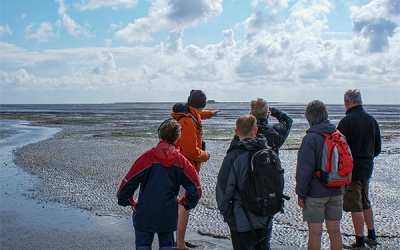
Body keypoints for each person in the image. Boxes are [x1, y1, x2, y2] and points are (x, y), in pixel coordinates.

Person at [116, 119, 202, 250]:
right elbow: (196, 189)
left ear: (161, 135)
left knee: (143, 246)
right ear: (178, 137)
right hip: (167, 214)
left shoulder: (147, 157)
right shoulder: (181, 161)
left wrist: (128, 200)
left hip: (145, 212)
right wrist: (185, 202)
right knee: (167, 246)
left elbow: (128, 181)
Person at [229, 98, 292, 249]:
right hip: (268, 190)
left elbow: (230, 160)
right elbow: (288, 120)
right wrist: (273, 110)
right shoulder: (275, 132)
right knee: (264, 238)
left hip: (245, 192)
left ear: (251, 113)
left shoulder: (242, 134)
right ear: (267, 114)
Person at [171, 89, 220, 249]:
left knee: (179, 203)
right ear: (199, 106)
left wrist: (211, 114)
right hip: (184, 169)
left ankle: (178, 240)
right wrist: (205, 155)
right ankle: (179, 243)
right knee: (185, 204)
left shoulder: (189, 113)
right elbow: (190, 151)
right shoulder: (188, 122)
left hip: (179, 168)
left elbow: (200, 114)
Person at [216, 114, 272, 250]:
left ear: (236, 132)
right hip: (266, 216)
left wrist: (227, 214)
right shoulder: (269, 154)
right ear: (255, 130)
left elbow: (223, 189)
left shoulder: (234, 156)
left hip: (242, 220)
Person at [296, 100, 343, 250]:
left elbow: (304, 171)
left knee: (315, 233)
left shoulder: (310, 138)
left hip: (316, 193)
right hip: (337, 190)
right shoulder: (338, 136)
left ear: (309, 118)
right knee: (335, 231)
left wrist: (301, 194)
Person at [337, 89, 381, 249]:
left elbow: (338, 149)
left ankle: (360, 241)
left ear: (347, 102)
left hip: (351, 170)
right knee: (365, 201)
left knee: (355, 204)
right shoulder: (371, 120)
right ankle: (372, 235)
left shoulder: (345, 122)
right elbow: (377, 148)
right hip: (367, 166)